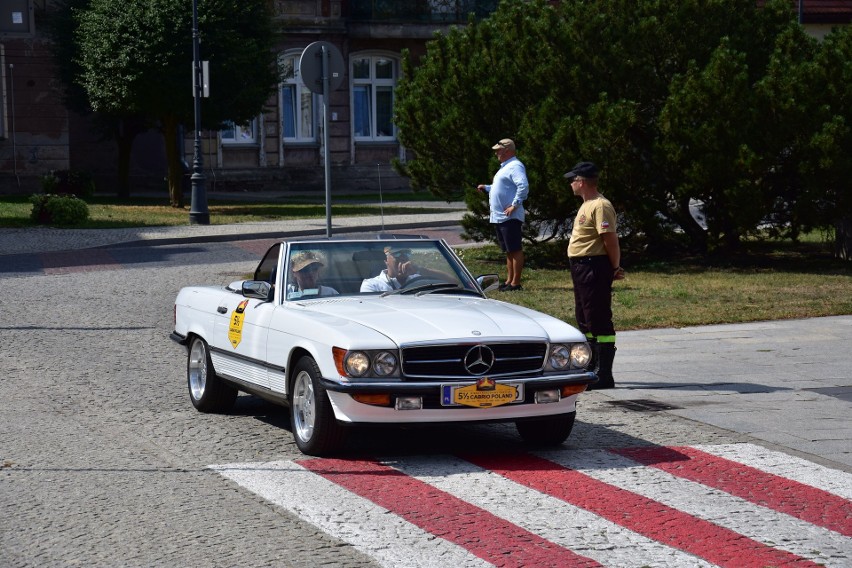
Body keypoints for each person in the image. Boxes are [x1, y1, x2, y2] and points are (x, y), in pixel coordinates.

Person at [564, 161, 625, 389]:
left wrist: (614, 267)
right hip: (581, 267)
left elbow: (610, 240)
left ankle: (604, 374)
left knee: (598, 317)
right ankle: (590, 368)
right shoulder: (586, 204)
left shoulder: (600, 205)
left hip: (593, 266)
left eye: (573, 180)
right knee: (585, 317)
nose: (571, 184)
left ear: (581, 182)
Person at [477, 138, 528, 291]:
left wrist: (514, 205)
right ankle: (509, 280)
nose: (496, 153)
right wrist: (487, 188)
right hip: (500, 216)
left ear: (507, 150)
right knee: (508, 250)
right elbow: (502, 186)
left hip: (510, 216)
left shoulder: (515, 166)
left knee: (515, 249)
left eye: (498, 150)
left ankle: (516, 283)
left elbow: (523, 186)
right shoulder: (506, 167)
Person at [360, 247, 447, 292]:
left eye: (406, 254)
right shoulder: (371, 284)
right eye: (397, 254)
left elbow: (453, 283)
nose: (402, 258)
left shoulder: (418, 279)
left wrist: (421, 269)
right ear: (386, 261)